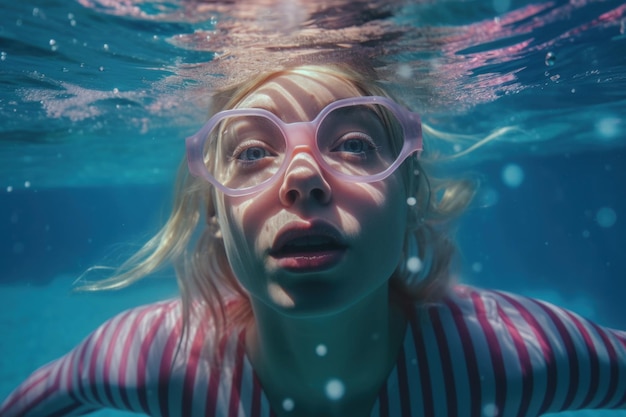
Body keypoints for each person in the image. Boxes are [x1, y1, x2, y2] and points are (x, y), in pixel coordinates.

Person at [2, 63, 625, 417]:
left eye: (353, 145)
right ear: (215, 216)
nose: (303, 178)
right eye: (252, 152)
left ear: (411, 200)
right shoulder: (157, 359)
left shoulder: (506, 358)